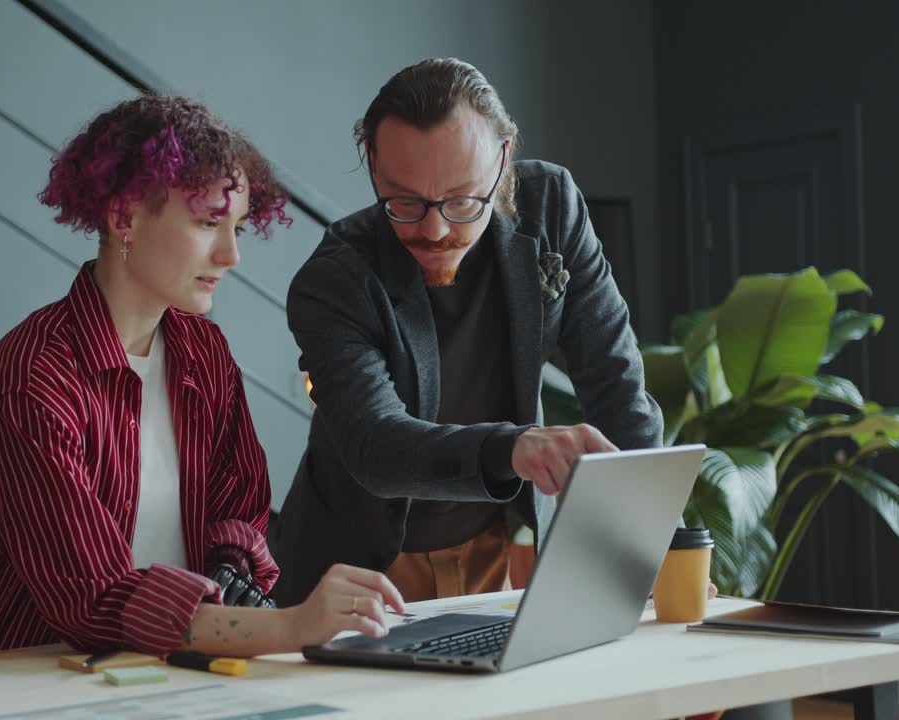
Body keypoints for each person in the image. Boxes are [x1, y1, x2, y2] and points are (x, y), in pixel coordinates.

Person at [0, 96, 405, 658]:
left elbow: (240, 506)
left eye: (239, 229)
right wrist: (290, 627)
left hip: (155, 675)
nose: (231, 255)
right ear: (125, 216)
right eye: (208, 223)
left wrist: (229, 571)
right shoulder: (33, 377)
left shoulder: (204, 352)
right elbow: (93, 599)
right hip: (15, 679)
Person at [270, 58, 664, 606]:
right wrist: (515, 446)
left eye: (461, 200)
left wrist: (649, 540)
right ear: (373, 165)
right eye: (404, 201)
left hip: (491, 554)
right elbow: (377, 446)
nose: (434, 230)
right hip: (355, 574)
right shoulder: (334, 278)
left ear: (503, 158)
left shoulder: (549, 205)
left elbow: (615, 381)